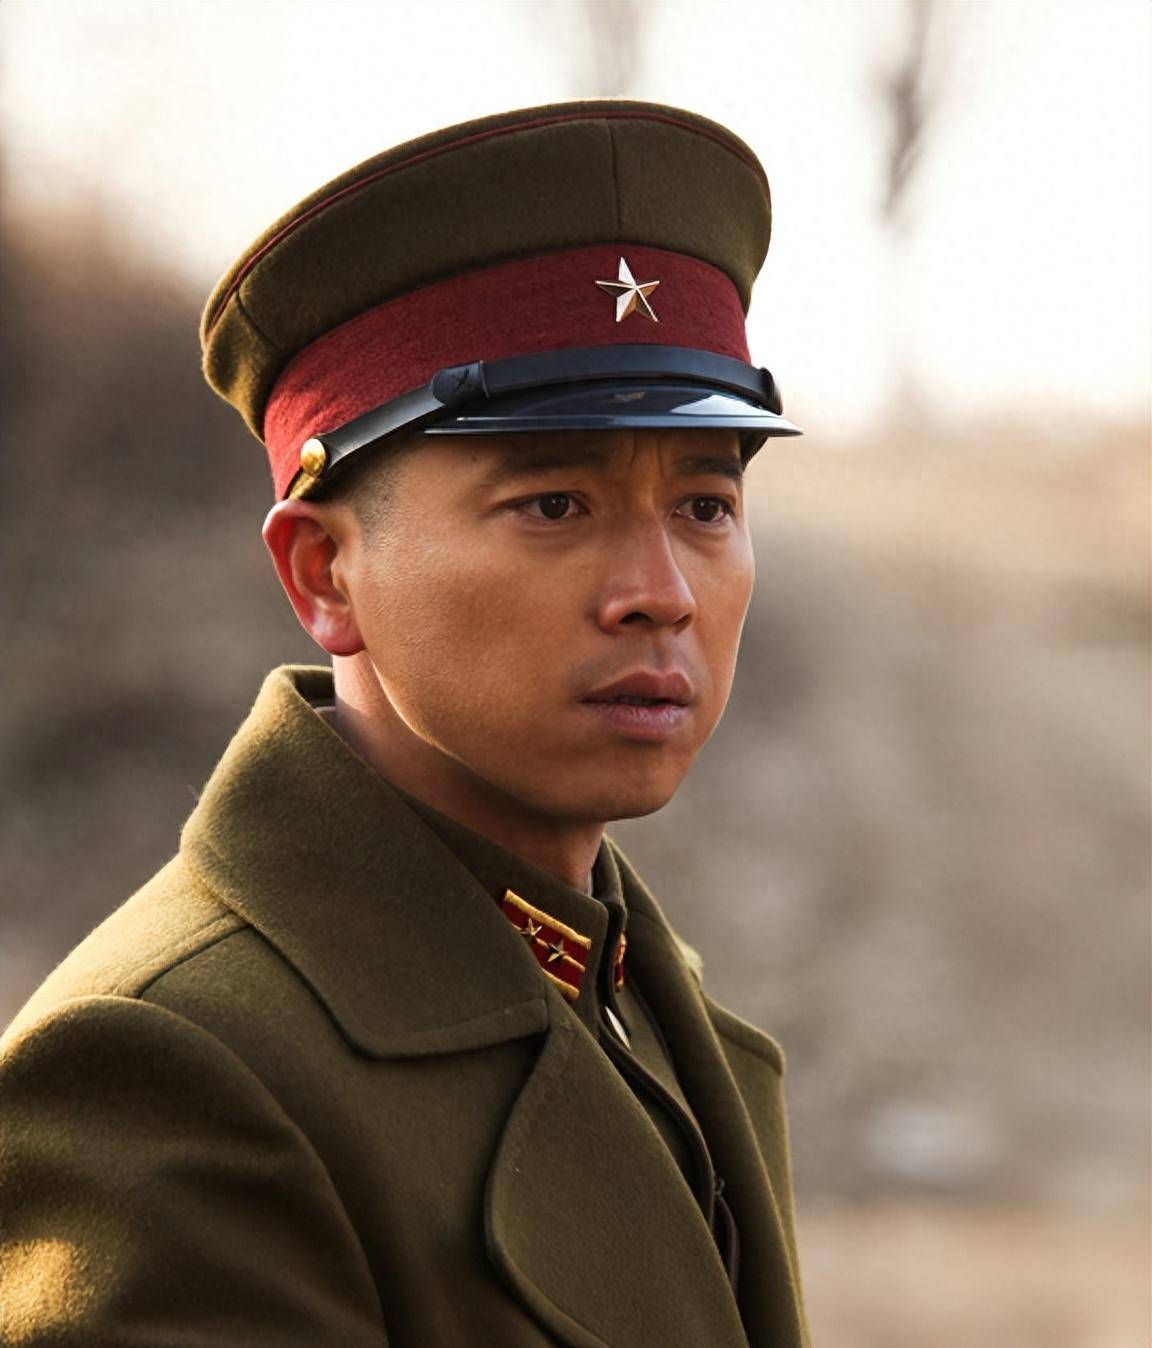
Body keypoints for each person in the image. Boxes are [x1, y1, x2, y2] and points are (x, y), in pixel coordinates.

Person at [0, 100, 809, 1347]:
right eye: (554, 503)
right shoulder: (175, 1069)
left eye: (705, 505)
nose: (661, 591)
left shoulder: (643, 997)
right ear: (324, 573)